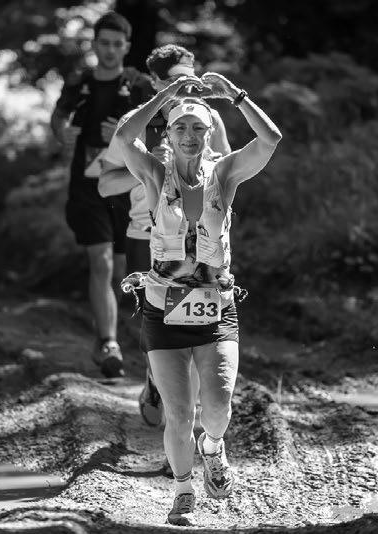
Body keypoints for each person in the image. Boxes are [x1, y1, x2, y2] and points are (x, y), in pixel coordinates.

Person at [116, 74, 281, 525]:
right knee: (178, 412)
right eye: (180, 128)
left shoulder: (224, 174)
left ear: (210, 134)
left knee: (218, 405)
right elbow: (123, 137)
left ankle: (213, 446)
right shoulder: (154, 173)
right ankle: (183, 492)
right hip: (162, 309)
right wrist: (165, 96)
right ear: (168, 135)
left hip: (216, 307)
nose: (189, 136)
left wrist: (235, 95)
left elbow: (270, 140)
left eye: (198, 128)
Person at [99, 44, 231, 428]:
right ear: (156, 82)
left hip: (200, 238)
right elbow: (106, 184)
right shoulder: (137, 123)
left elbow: (227, 173)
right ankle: (157, 380)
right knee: (159, 323)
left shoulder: (209, 119)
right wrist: (149, 170)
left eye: (193, 79)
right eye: (176, 81)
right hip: (146, 235)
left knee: (196, 324)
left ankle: (183, 416)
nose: (188, 88)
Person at [50, 12, 155, 378]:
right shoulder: (79, 82)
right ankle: (110, 342)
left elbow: (160, 133)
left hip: (128, 188)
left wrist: (126, 137)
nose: (110, 50)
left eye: (117, 44)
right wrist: (61, 132)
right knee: (102, 261)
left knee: (125, 271)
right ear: (94, 45)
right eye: (104, 43)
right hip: (88, 186)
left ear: (126, 47)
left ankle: (111, 338)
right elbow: (58, 117)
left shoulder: (140, 86)